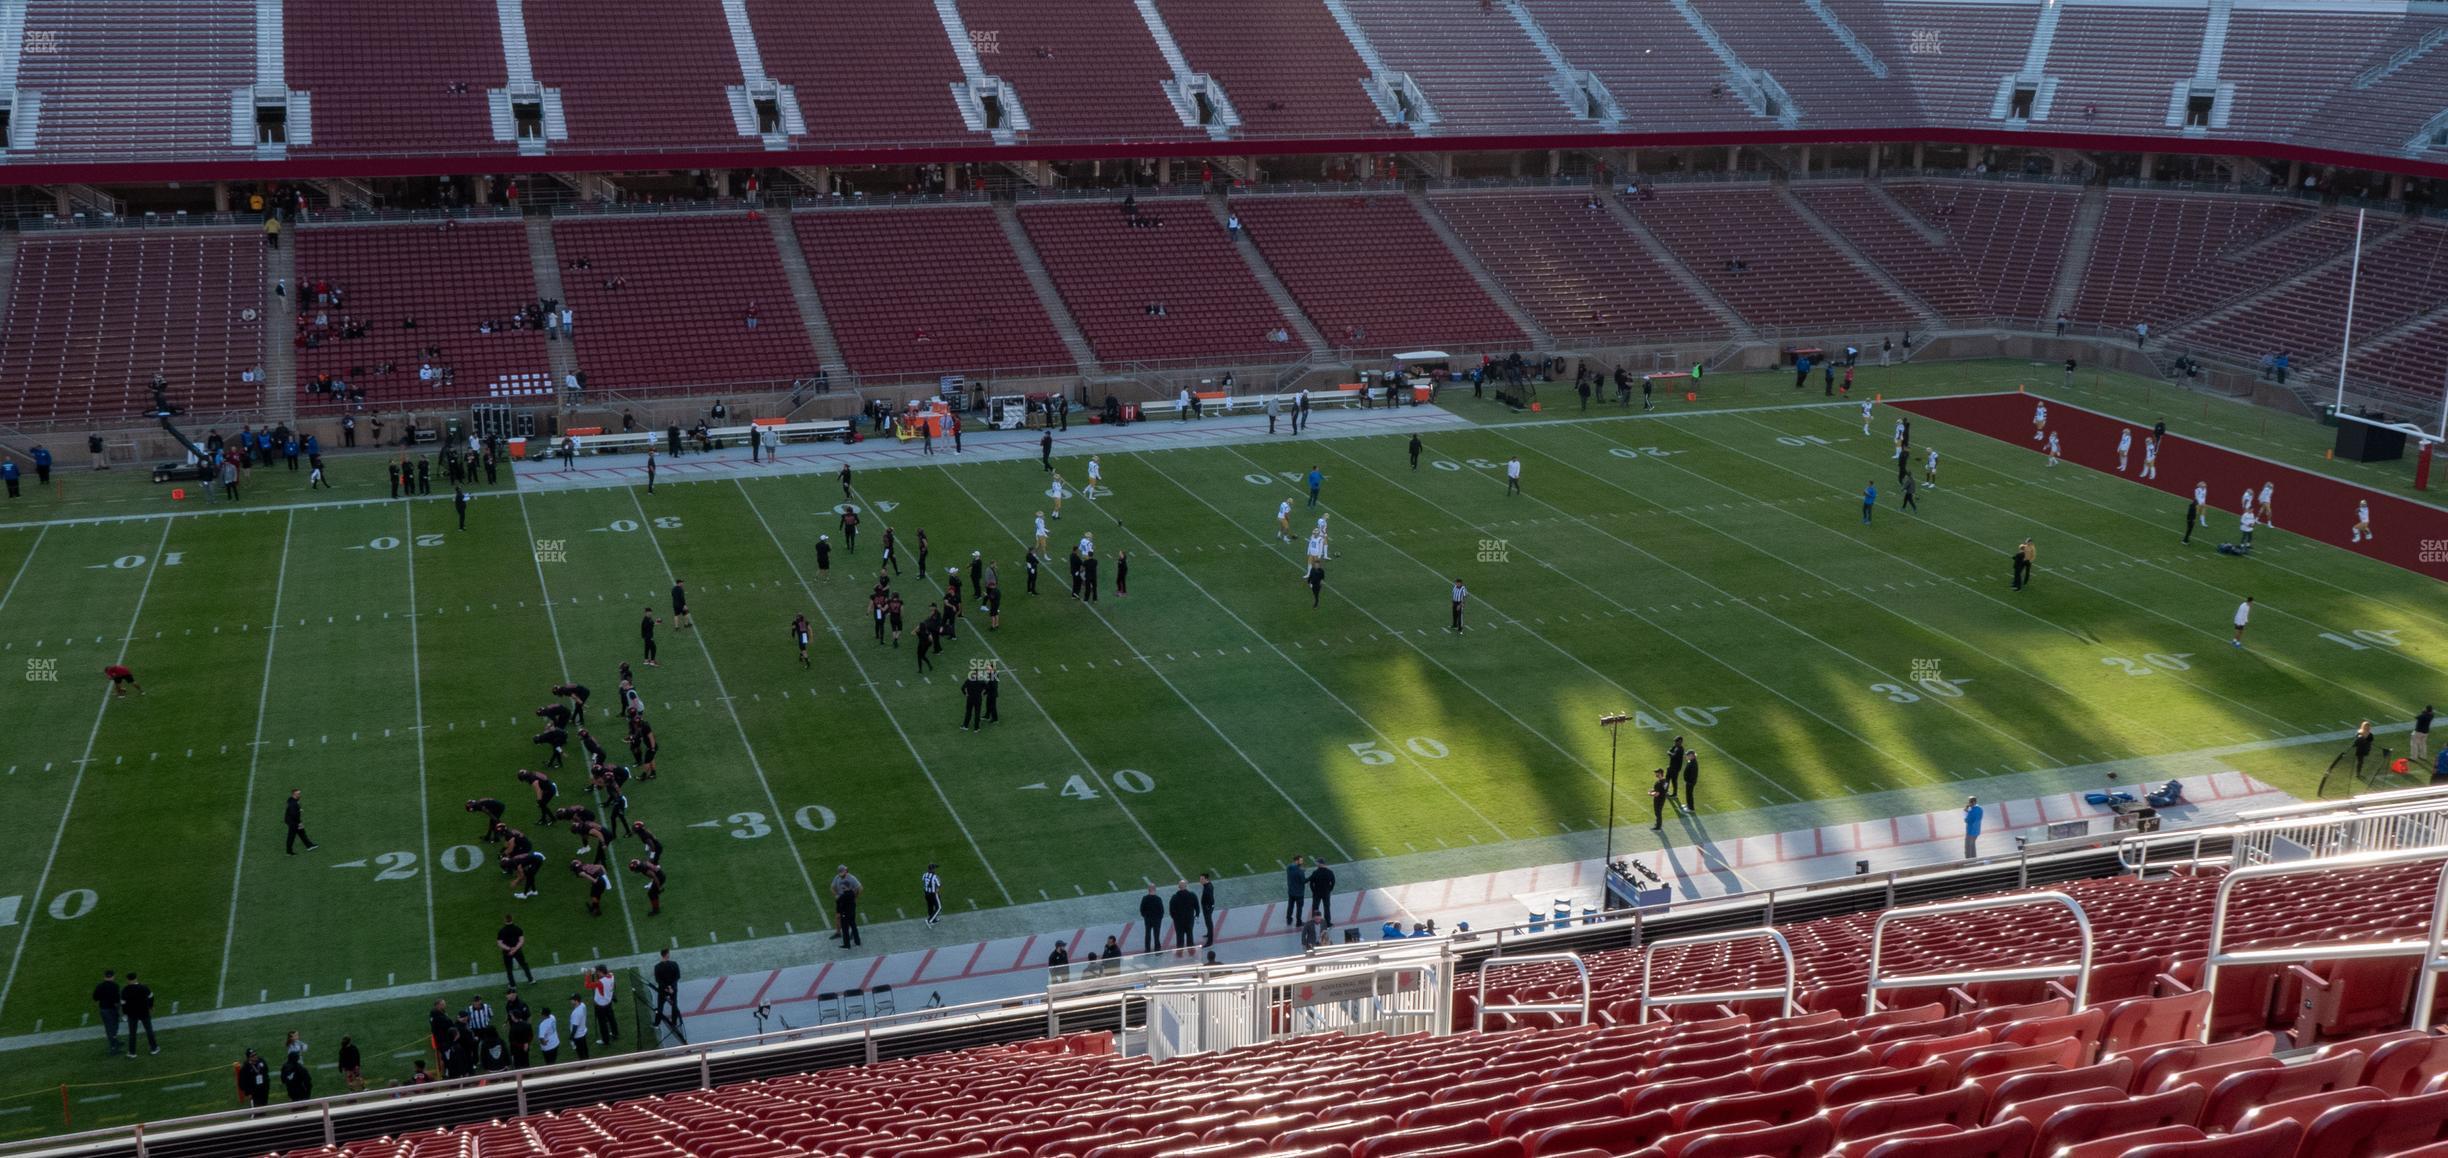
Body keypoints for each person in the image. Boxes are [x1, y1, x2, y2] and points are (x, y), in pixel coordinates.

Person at [832, 865, 863, 948]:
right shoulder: (838, 878)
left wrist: (855, 897)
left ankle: (847, 942)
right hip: (846, 902)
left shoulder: (851, 879)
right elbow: (832, 887)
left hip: (846, 903)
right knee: (850, 921)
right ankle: (856, 940)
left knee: (846, 922)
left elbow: (860, 888)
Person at [498, 915, 534, 986]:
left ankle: (512, 984)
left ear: (504, 920)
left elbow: (499, 943)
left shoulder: (502, 931)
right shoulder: (518, 929)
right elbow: (521, 941)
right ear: (512, 919)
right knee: (524, 965)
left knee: (509, 969)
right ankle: (531, 979)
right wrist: (515, 949)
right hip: (517, 950)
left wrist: (509, 949)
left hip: (507, 952)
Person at [92, 970, 122, 1055]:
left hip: (104, 1009)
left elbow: (95, 998)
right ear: (113, 976)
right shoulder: (115, 986)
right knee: (114, 1027)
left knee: (109, 1028)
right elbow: (117, 1000)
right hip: (112, 1009)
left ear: (104, 976)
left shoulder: (99, 986)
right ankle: (113, 1047)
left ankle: (114, 1042)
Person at [1168, 880, 1199, 951]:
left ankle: (1180, 952)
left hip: (1178, 921)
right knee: (1190, 935)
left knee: (1179, 937)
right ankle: (1191, 950)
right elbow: (1197, 907)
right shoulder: (1192, 895)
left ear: (1178, 887)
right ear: (1186, 886)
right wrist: (1196, 915)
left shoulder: (1175, 897)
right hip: (1189, 920)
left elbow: (1171, 910)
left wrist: (1175, 918)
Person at [283, 788, 316, 854]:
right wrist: (299, 823)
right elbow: (294, 815)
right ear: (294, 794)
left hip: (292, 821)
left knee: (302, 833)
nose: (299, 795)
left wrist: (299, 809)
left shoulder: (292, 800)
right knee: (291, 836)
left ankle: (309, 846)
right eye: (298, 794)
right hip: (293, 822)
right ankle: (289, 852)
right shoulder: (293, 804)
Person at [1306, 858, 1336, 926]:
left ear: (1320, 864)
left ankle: (1314, 922)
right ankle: (1328, 923)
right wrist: (1329, 890)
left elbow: (1311, 883)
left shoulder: (1315, 872)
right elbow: (1333, 882)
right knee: (1327, 907)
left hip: (1317, 893)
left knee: (1315, 907)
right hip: (1326, 892)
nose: (1316, 864)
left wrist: (1313, 891)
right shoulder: (1330, 872)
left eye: (1317, 863)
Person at [1138, 885, 1165, 953]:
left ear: (1148, 890)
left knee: (1147, 934)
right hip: (1157, 920)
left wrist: (1145, 916)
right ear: (1155, 889)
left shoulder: (1145, 898)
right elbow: (1161, 910)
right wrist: (1159, 918)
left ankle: (1147, 949)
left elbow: (1142, 909)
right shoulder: (1158, 899)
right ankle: (1157, 949)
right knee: (1156, 935)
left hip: (1148, 919)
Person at [565, 994, 590, 1061]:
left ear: (576, 1001)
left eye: (572, 1000)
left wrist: (571, 1037)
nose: (570, 1001)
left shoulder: (575, 1013)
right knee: (584, 1048)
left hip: (578, 1035)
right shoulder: (583, 1005)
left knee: (580, 1051)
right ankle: (587, 1059)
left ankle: (584, 1065)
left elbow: (575, 1027)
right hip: (583, 1031)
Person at [1198, 872, 1217, 943]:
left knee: (1209, 923)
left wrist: (1208, 907)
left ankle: (1210, 941)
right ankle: (1209, 934)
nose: (1200, 880)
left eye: (1202, 879)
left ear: (1206, 879)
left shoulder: (1208, 887)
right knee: (1207, 922)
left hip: (1207, 907)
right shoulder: (1207, 885)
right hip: (1207, 907)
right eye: (1200, 879)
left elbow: (1211, 899)